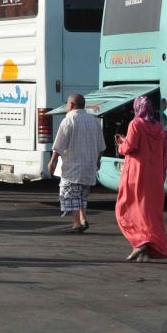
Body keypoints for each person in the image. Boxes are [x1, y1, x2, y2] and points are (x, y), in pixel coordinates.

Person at [115, 97, 167, 262]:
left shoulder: (136, 124)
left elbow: (130, 147)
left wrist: (120, 144)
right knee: (149, 212)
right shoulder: (160, 128)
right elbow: (164, 154)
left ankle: (139, 242)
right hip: (155, 175)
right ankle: (146, 251)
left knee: (126, 208)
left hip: (137, 173)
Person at [47, 93, 106, 233]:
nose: (66, 107)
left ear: (72, 104)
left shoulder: (69, 120)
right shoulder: (94, 121)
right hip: (89, 166)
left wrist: (52, 161)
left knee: (71, 195)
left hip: (73, 167)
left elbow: (59, 145)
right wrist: (97, 162)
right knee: (82, 196)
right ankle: (83, 220)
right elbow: (101, 146)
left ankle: (77, 224)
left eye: (67, 104)